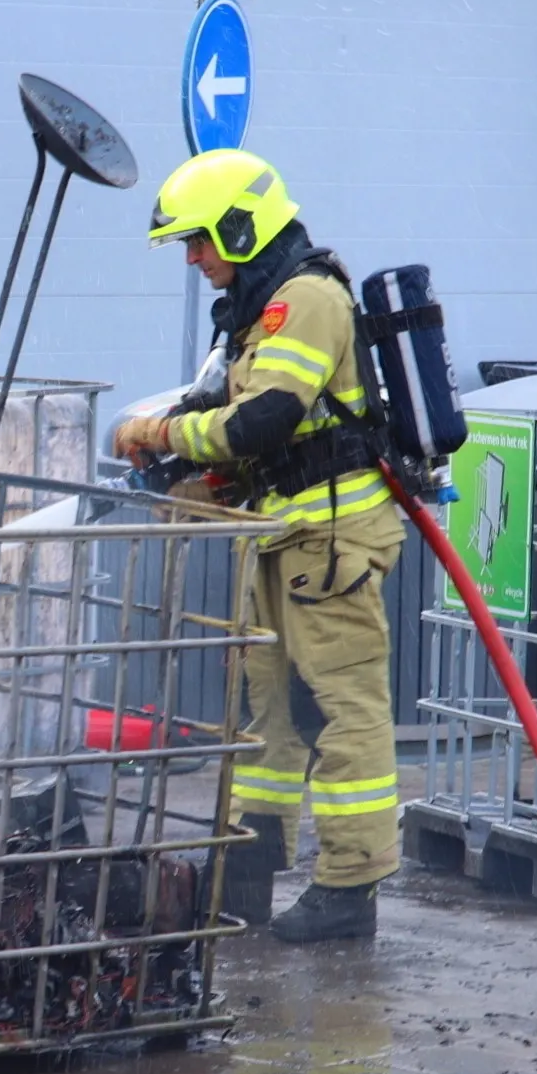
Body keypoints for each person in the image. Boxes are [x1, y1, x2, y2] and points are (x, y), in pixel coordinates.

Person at [113, 149, 404, 942]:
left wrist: (159, 431)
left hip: (332, 536)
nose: (194, 258)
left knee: (344, 711)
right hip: (281, 532)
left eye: (199, 240)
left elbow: (262, 419)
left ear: (240, 228)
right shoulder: (258, 306)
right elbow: (244, 423)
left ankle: (349, 888)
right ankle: (246, 870)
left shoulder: (305, 299)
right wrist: (180, 469)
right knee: (263, 715)